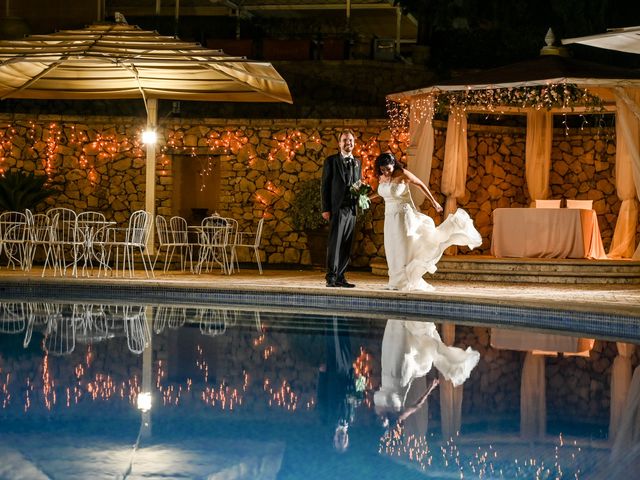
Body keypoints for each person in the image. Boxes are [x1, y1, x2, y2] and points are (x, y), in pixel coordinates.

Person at [374, 152, 482, 291]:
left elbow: (420, 184)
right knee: (391, 247)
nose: (386, 172)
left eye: (388, 169)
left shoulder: (403, 174)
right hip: (389, 217)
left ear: (393, 164)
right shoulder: (382, 177)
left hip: (403, 216)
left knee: (402, 247)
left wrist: (434, 202)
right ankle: (395, 281)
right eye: (383, 170)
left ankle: (405, 281)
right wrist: (364, 197)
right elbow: (382, 192)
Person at [374, 320, 480, 433]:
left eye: (379, 420)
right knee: (403, 335)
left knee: (394, 332)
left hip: (387, 366)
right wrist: (430, 388)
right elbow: (416, 406)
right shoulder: (398, 415)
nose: (381, 419)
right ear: (388, 424)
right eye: (383, 423)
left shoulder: (377, 408)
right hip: (401, 372)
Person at [322, 129, 361, 288]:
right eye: (345, 140)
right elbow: (325, 185)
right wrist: (326, 208)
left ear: (354, 143)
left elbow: (358, 183)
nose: (348, 143)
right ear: (339, 143)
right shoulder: (331, 161)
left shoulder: (358, 162)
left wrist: (362, 197)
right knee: (335, 243)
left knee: (346, 243)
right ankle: (330, 277)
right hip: (337, 208)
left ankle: (340, 276)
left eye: (350, 140)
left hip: (352, 209)